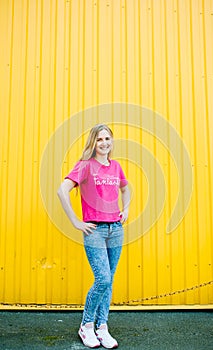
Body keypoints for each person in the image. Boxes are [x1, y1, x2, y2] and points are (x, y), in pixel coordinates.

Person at [57, 124, 130, 348]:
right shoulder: (85, 166)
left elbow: (126, 188)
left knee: (109, 282)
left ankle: (102, 327)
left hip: (116, 229)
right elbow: (62, 190)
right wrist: (76, 222)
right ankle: (86, 325)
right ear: (93, 143)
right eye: (99, 139)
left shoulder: (116, 166)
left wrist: (126, 209)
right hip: (95, 231)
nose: (104, 143)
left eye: (107, 138)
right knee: (103, 279)